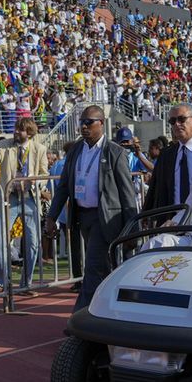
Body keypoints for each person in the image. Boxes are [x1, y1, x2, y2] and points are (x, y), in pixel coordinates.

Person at [46, 105, 137, 311]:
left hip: (104, 218)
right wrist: (52, 216)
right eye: (81, 122)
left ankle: (79, 320)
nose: (84, 126)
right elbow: (63, 186)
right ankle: (110, 313)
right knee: (104, 269)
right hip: (81, 217)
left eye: (89, 122)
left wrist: (133, 227)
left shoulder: (114, 152)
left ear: (101, 124)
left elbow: (127, 193)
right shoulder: (76, 150)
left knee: (94, 268)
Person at [0, 118, 48, 293]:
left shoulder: (40, 149)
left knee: (32, 243)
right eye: (16, 128)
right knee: (0, 240)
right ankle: (2, 282)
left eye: (20, 130)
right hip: (10, 198)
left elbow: (44, 174)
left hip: (30, 198)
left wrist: (35, 183)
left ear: (29, 133)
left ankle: (26, 283)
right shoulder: (4, 145)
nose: (16, 132)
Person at [144, 104, 192, 211]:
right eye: (172, 121)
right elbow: (155, 187)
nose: (177, 124)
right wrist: (146, 214)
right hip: (173, 221)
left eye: (181, 119)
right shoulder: (166, 154)